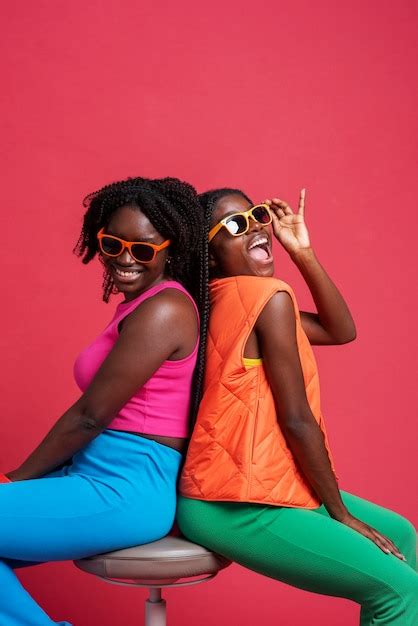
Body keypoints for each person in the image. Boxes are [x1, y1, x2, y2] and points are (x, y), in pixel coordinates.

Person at [178, 187, 418, 625]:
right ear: (209, 254)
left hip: (232, 485)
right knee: (399, 589)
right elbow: (297, 419)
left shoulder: (218, 296)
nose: (255, 227)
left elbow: (338, 330)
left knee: (401, 533)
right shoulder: (267, 298)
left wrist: (302, 252)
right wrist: (339, 513)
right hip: (236, 503)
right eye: (235, 225)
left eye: (257, 215)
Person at [0, 176, 209, 626]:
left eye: (143, 248)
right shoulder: (141, 305)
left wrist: (13, 480)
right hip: (94, 475)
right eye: (112, 244)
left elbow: (91, 417)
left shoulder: (165, 309)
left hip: (125, 487)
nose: (124, 259)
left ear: (172, 249)